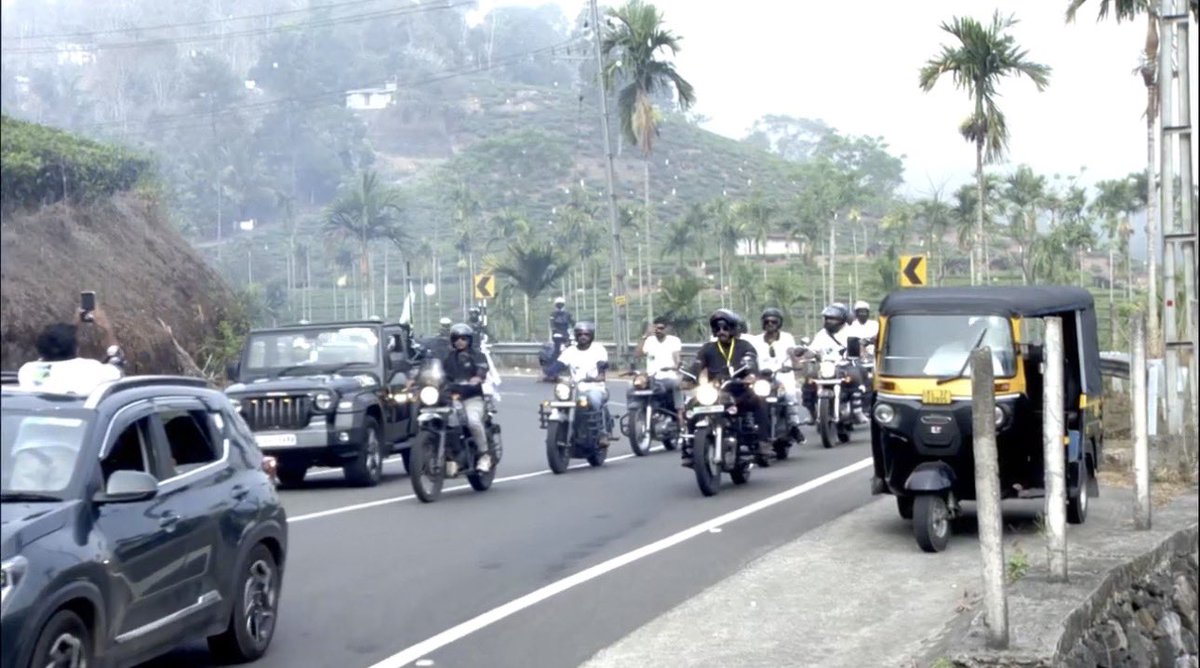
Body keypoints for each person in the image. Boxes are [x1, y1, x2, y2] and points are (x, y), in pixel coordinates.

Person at [684, 309, 771, 465]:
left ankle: (762, 442)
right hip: (715, 392)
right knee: (690, 407)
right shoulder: (708, 348)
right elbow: (697, 365)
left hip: (739, 390)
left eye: (725, 327)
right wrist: (687, 378)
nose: (721, 331)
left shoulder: (745, 346)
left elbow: (750, 361)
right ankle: (690, 446)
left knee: (760, 400)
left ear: (733, 328)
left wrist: (750, 376)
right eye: (717, 328)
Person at [18, 307, 124, 395]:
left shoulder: (27, 371)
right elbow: (117, 365)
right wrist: (107, 329)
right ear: (77, 348)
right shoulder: (88, 369)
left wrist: (72, 328)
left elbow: (46, 357)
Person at [801, 304, 867, 424]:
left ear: (842, 320)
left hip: (845, 365)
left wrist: (858, 353)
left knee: (855, 376)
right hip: (825, 367)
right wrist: (805, 354)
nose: (829, 321)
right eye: (827, 318)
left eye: (833, 318)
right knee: (809, 379)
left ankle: (858, 411)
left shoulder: (851, 332)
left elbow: (860, 348)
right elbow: (812, 349)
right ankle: (812, 413)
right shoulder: (822, 334)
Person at [746, 307, 804, 441]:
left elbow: (791, 352)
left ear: (779, 323)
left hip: (782, 374)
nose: (770, 324)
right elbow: (751, 356)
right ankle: (751, 425)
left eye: (773, 321)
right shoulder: (755, 340)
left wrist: (795, 363)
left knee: (789, 395)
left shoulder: (787, 338)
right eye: (767, 322)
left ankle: (794, 425)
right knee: (751, 396)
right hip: (762, 378)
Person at [442, 323, 492, 472]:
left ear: (469, 340)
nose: (460, 341)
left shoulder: (477, 355)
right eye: (456, 338)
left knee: (473, 421)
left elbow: (482, 368)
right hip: (452, 399)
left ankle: (484, 455)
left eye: (463, 338)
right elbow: (438, 370)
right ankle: (450, 456)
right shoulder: (448, 358)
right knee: (445, 423)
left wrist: (477, 377)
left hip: (472, 397)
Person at [554, 321, 609, 439]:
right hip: (574, 390)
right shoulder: (570, 351)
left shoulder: (599, 350)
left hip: (595, 388)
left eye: (586, 334)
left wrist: (596, 378)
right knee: (560, 402)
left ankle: (602, 433)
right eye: (580, 334)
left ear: (591, 336)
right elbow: (558, 365)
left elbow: (602, 372)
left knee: (594, 401)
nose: (583, 337)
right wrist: (548, 373)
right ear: (576, 336)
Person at [636, 317, 683, 410]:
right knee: (632, 388)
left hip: (668, 377)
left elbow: (677, 357)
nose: (658, 330)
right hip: (651, 379)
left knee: (677, 385)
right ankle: (636, 412)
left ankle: (680, 414)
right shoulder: (649, 340)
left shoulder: (674, 341)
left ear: (667, 329)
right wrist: (645, 336)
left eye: (661, 328)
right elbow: (638, 354)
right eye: (656, 328)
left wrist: (676, 366)